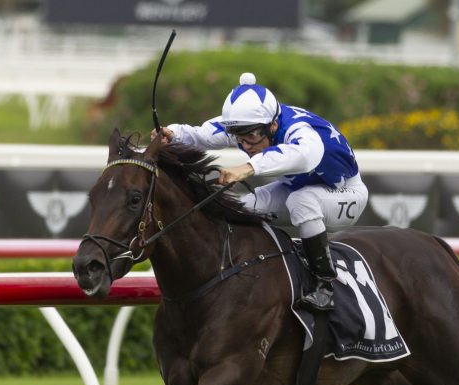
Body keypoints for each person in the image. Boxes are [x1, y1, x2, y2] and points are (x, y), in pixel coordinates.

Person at [151, 72, 368, 311]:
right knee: (242, 207)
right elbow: (202, 135)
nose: (246, 144)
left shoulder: (299, 129)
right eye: (239, 137)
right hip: (298, 188)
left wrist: (247, 167)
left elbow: (305, 155)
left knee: (302, 200)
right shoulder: (249, 125)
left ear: (273, 125)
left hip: (345, 193)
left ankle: (324, 285)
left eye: (252, 136)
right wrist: (173, 134)